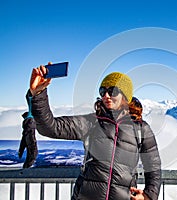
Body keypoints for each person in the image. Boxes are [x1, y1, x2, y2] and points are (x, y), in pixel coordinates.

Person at [28, 65, 161, 200]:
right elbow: (50, 127)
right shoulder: (92, 122)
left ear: (125, 95)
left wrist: (149, 195)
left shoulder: (140, 129)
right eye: (102, 91)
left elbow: (153, 164)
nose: (106, 96)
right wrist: (39, 94)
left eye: (112, 91)